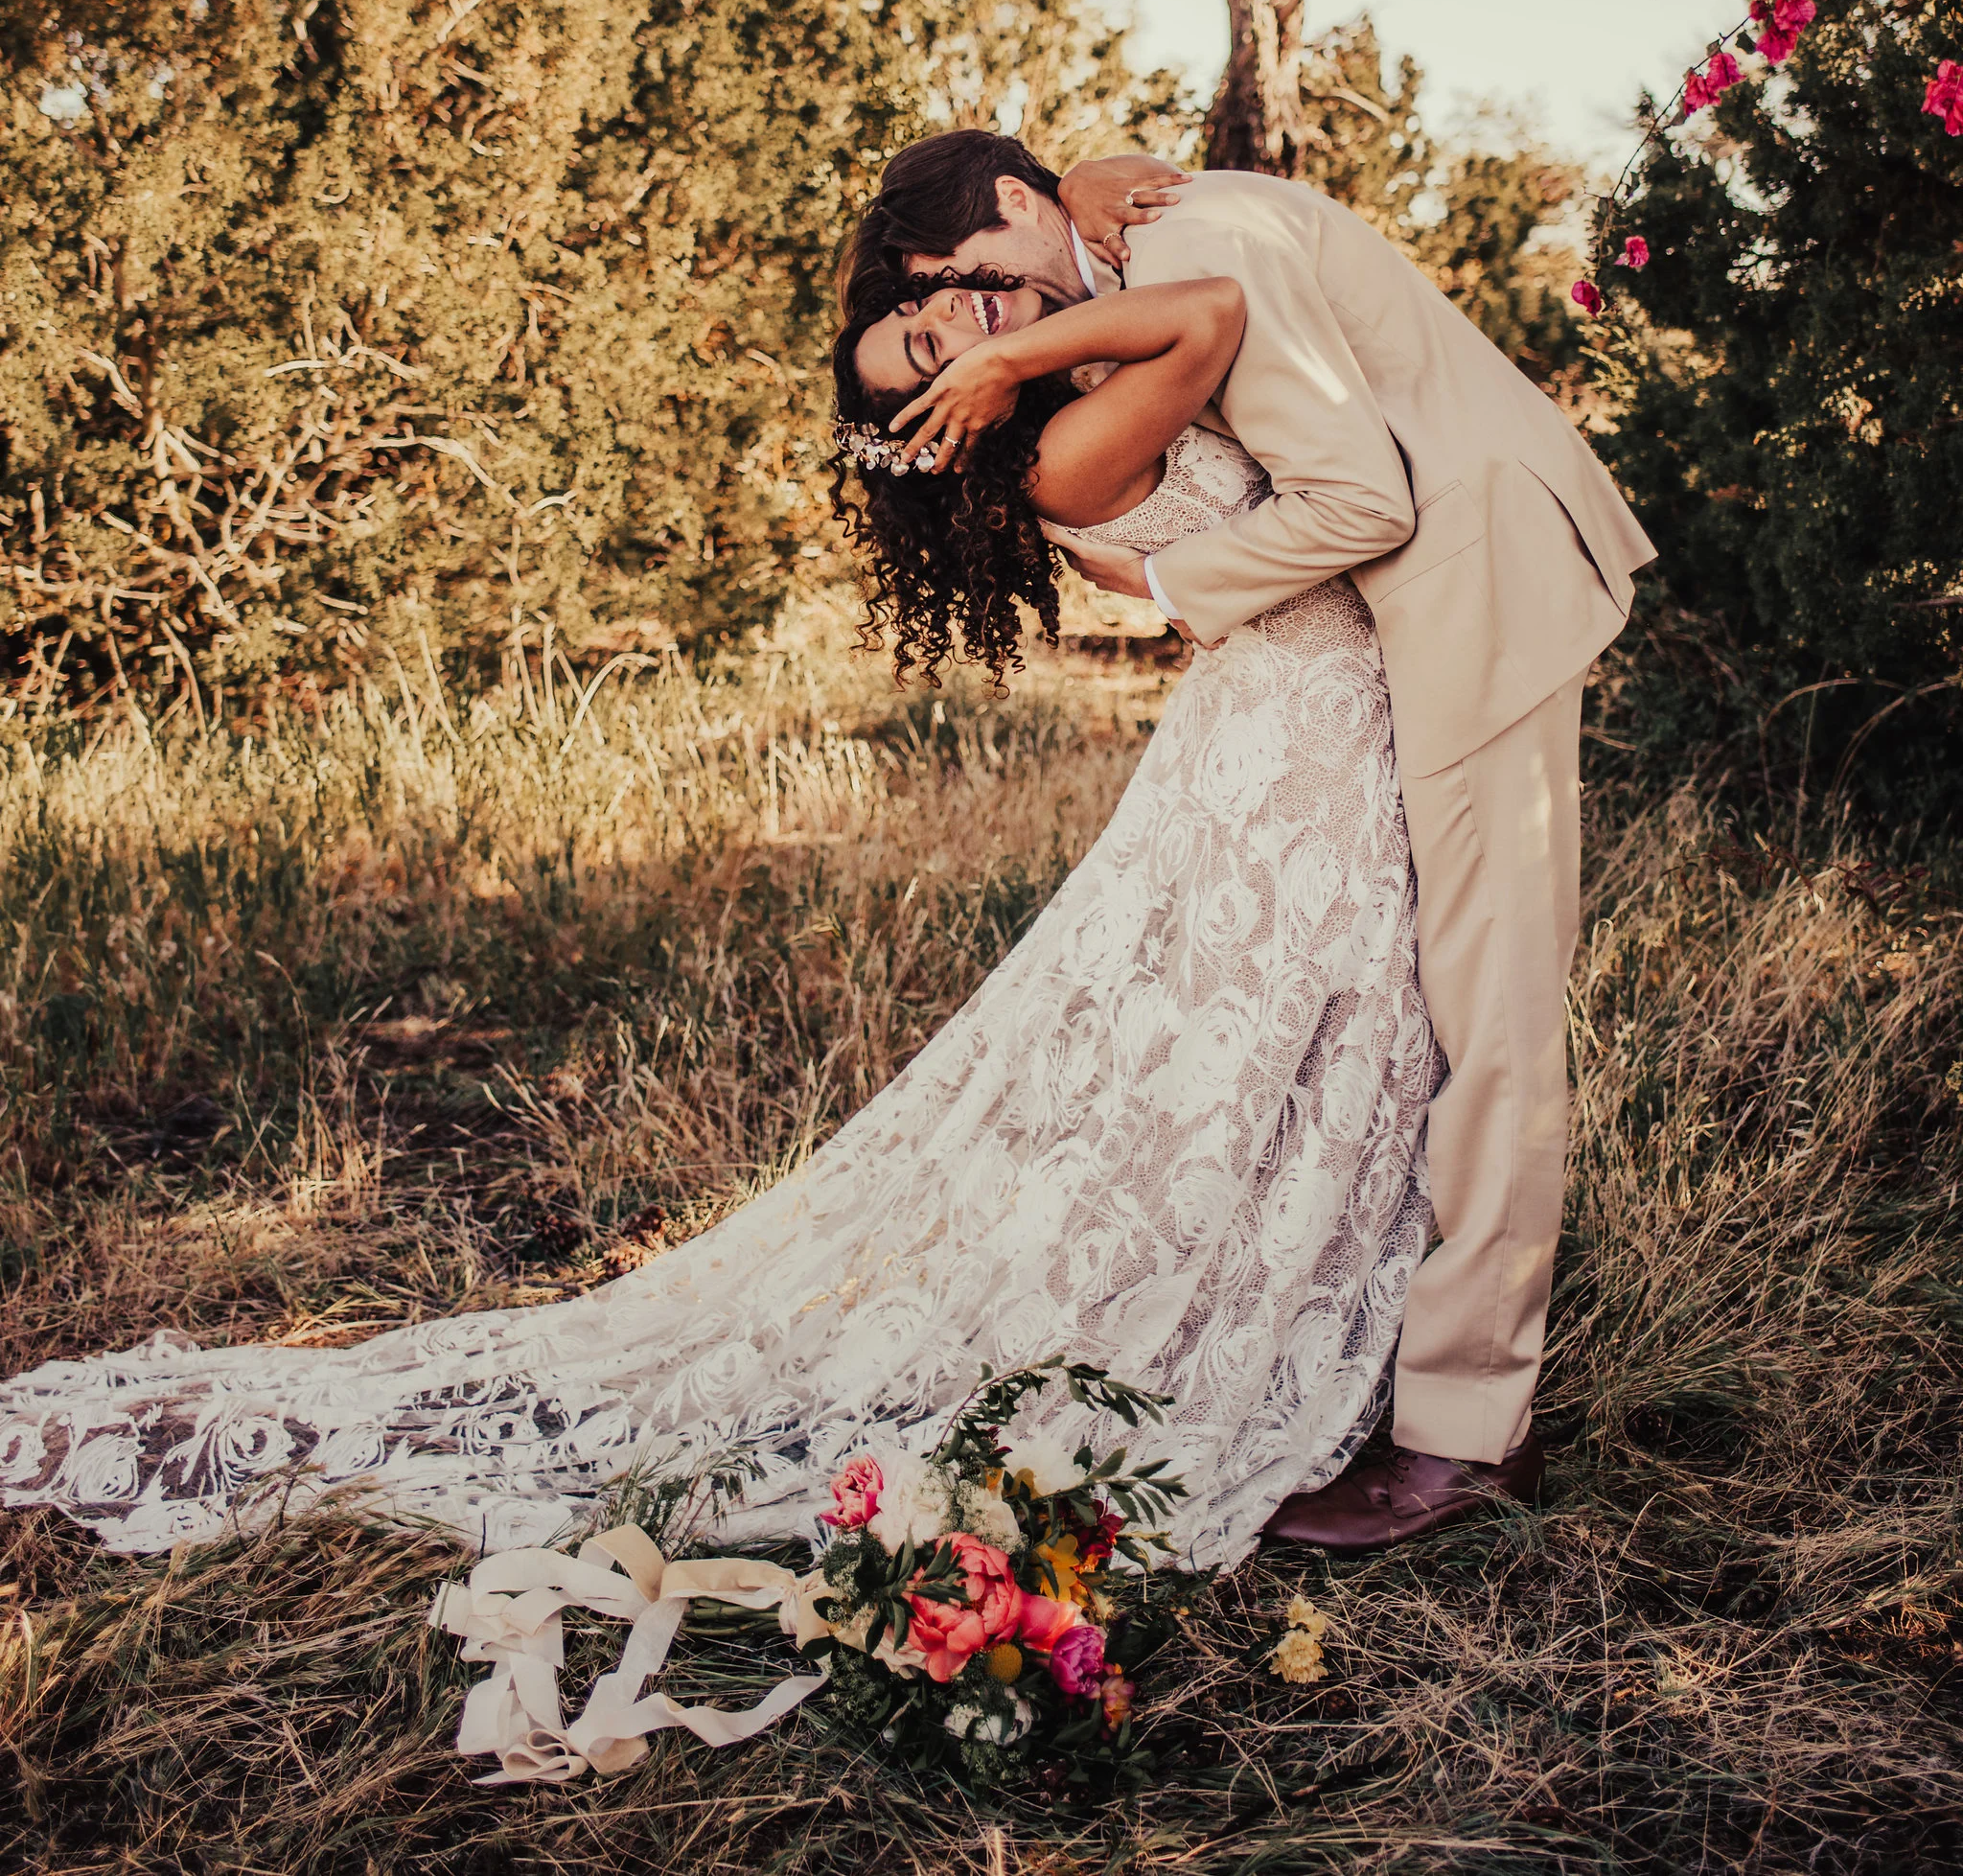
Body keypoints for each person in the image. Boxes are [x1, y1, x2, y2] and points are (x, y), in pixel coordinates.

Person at [0, 263, 1436, 1591]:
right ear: (947, 413)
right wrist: (1019, 357)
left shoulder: (1070, 397)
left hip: (1286, 733)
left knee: (1266, 1040)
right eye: (930, 349)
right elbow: (1214, 315)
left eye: (938, 310)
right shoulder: (1065, 451)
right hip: (1302, 738)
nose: (958, 330)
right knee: (1290, 1021)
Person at [842, 128, 1654, 1552]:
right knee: (1418, 1016)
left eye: (968, 278)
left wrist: (1168, 583)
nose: (974, 322)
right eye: (932, 314)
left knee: (1493, 1016)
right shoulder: (1119, 268)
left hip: (1472, 584)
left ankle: (1469, 1430)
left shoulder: (1185, 242)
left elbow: (1364, 500)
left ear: (1028, 207)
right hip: (1388, 629)